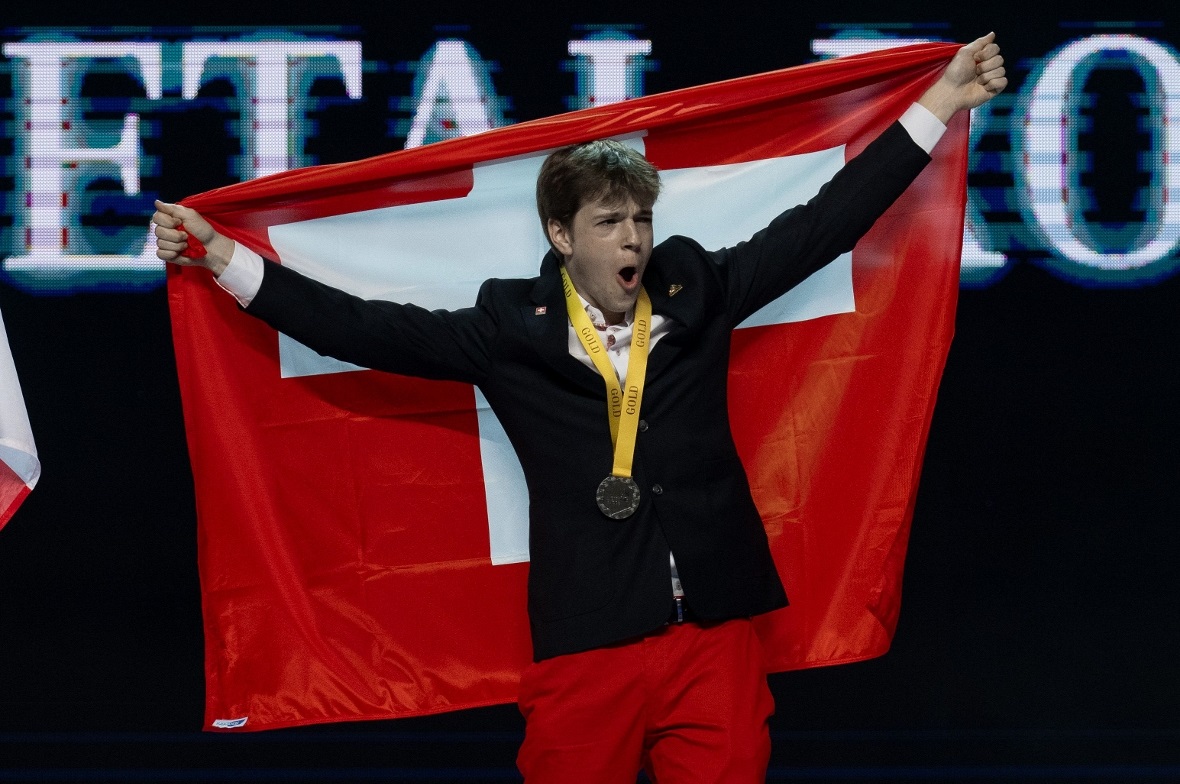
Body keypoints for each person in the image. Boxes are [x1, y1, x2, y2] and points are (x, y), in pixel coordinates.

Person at [154, 33, 1005, 784]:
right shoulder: (507, 330)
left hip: (714, 635)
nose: (633, 237)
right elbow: (359, 328)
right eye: (609, 222)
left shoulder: (695, 287)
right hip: (589, 642)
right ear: (562, 237)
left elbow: (824, 224)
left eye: (639, 218)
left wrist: (937, 103)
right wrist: (224, 257)